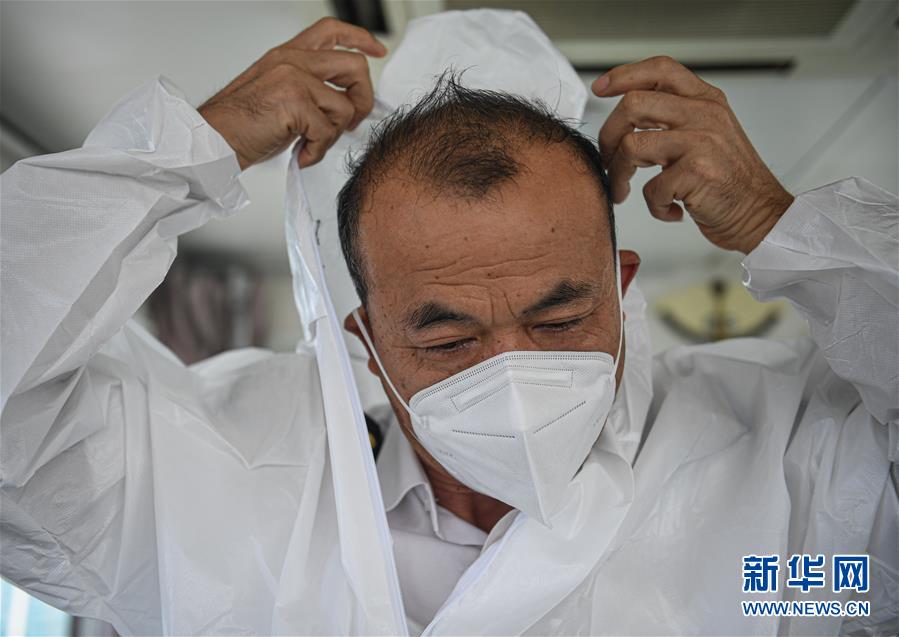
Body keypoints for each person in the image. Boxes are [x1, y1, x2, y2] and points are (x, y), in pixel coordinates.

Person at [1, 10, 896, 637]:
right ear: (364, 341)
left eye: (560, 318)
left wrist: (785, 227)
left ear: (621, 290)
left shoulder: (777, 500)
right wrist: (184, 151)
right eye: (446, 339)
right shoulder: (218, 481)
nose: (512, 371)